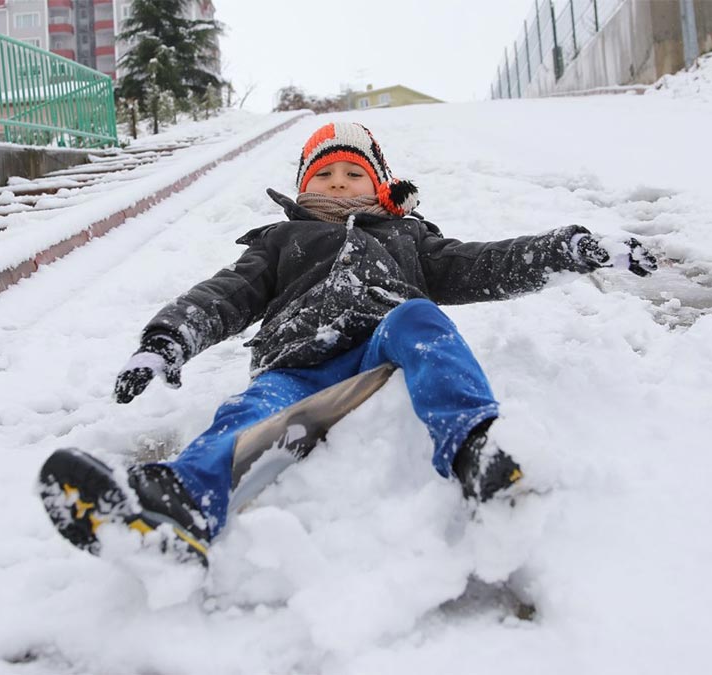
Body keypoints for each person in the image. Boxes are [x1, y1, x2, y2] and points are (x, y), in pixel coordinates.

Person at [40, 122, 657, 563]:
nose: (337, 183)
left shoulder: (411, 239)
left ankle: (475, 445)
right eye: (325, 174)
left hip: (381, 350)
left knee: (420, 318)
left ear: (380, 186)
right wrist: (166, 339)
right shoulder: (280, 243)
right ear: (306, 185)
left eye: (353, 174)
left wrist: (563, 250)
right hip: (295, 364)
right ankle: (184, 502)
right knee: (250, 411)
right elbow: (224, 294)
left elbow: (485, 264)